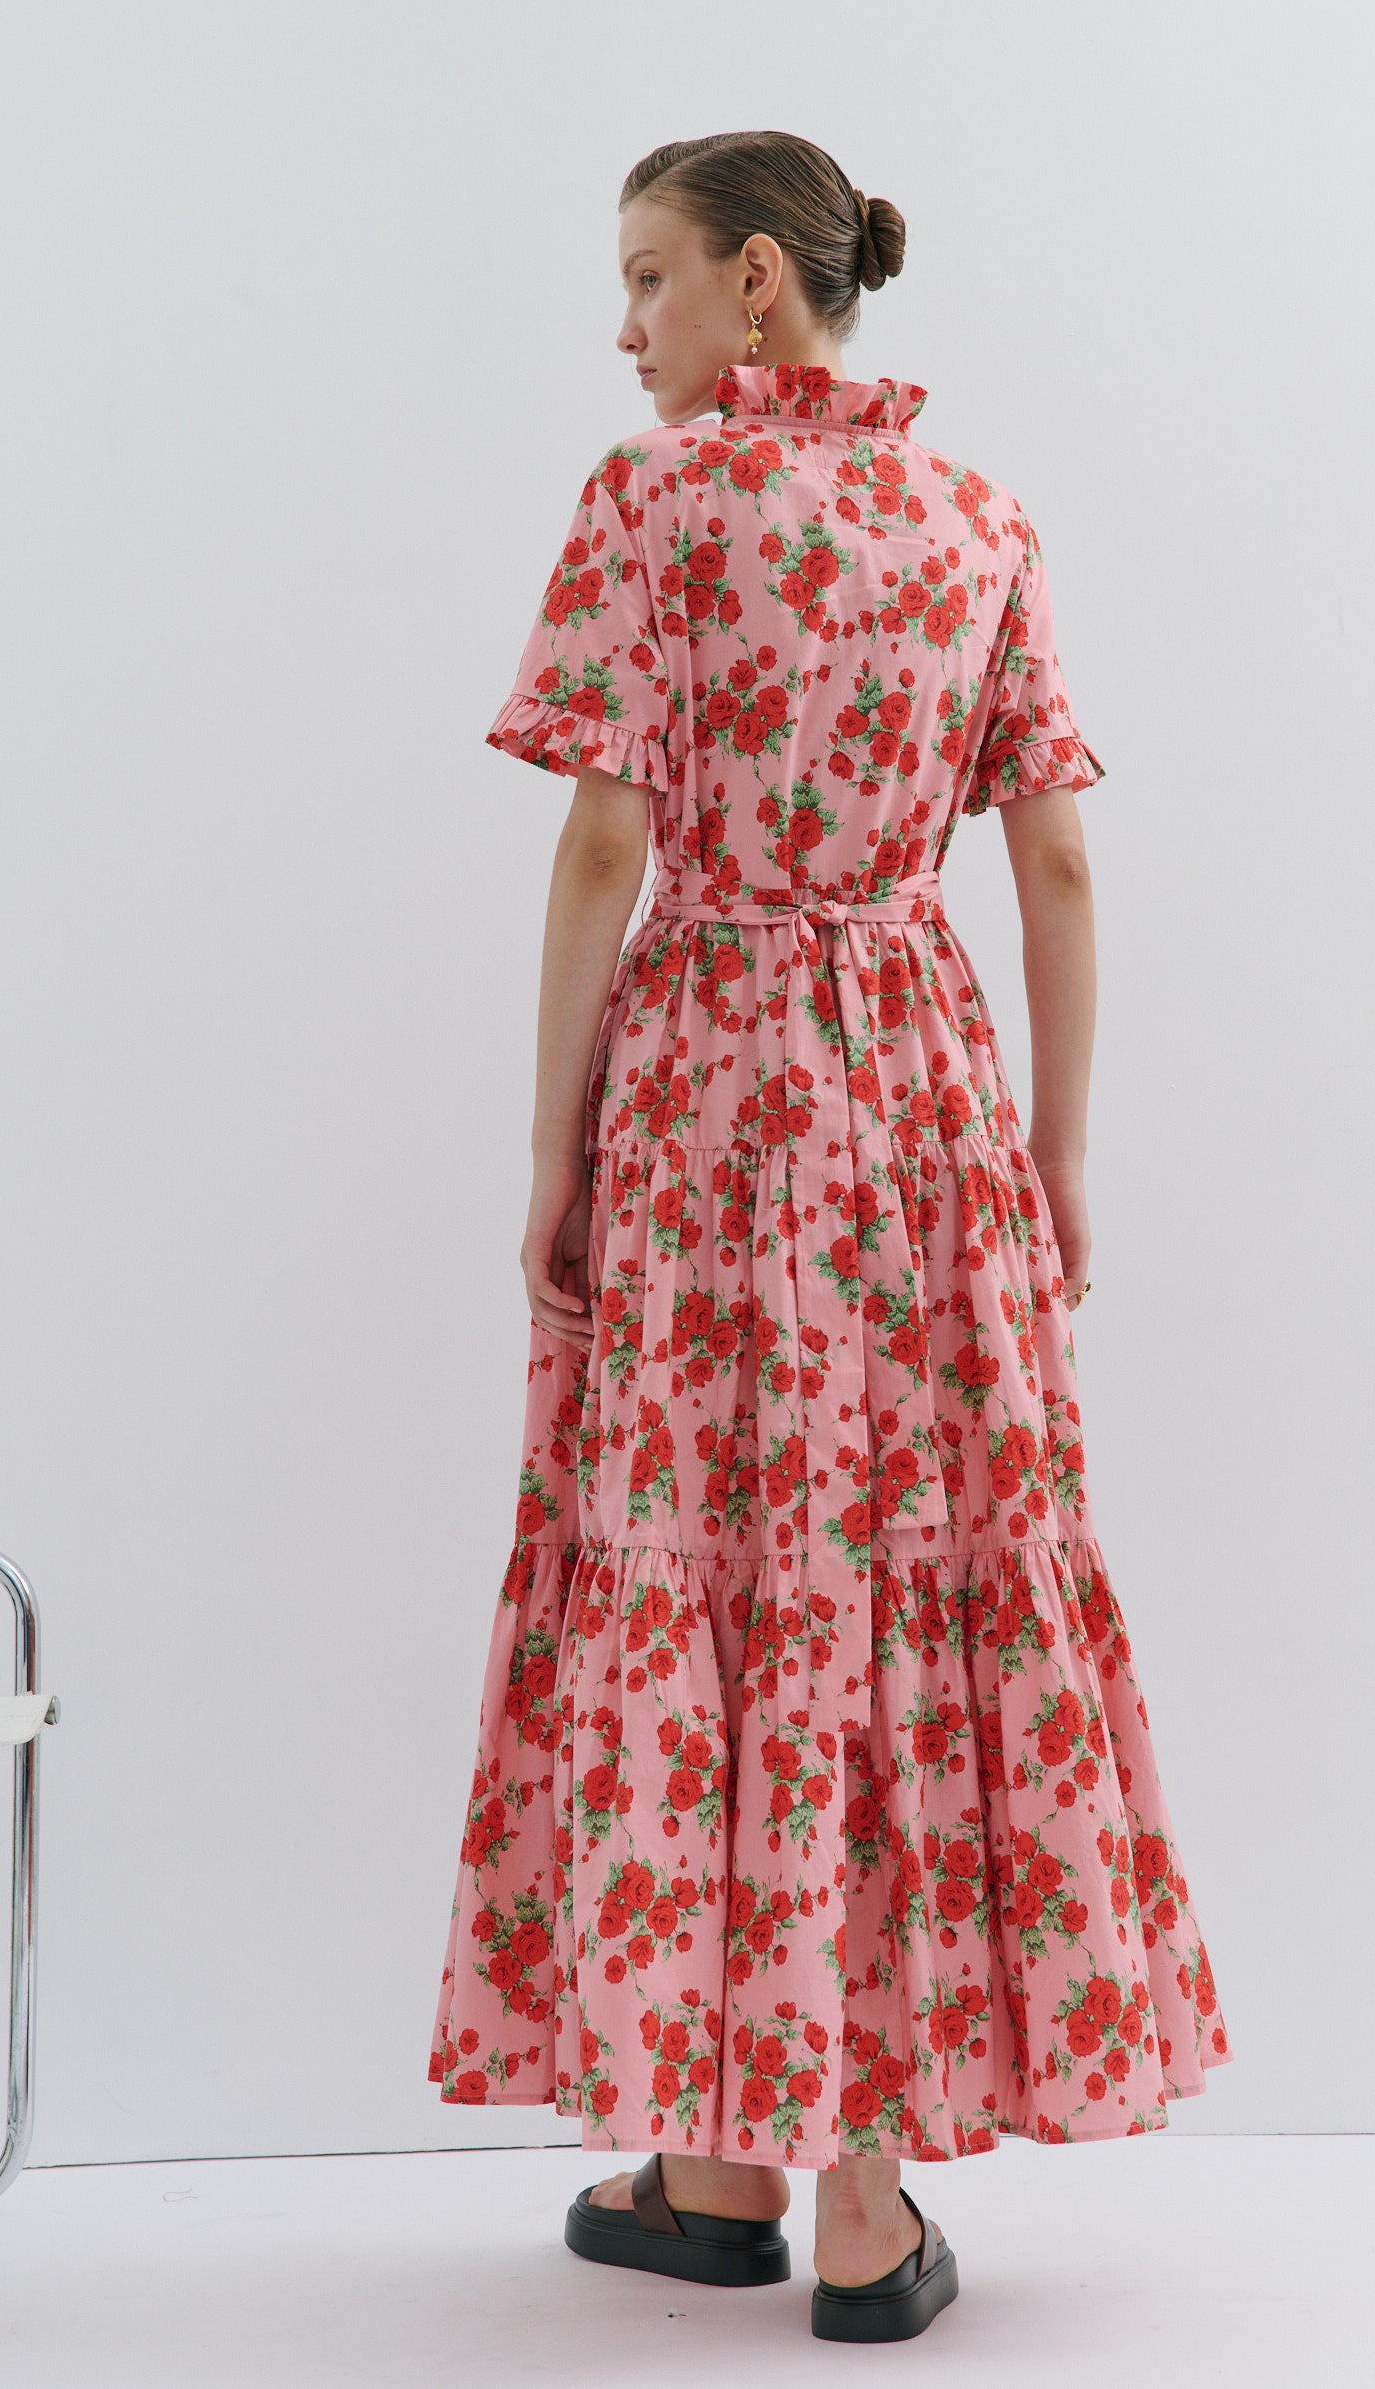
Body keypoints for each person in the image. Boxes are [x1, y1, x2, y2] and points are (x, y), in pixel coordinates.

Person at [428, 128, 1233, 2343]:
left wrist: (551, 1141)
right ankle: (819, 2191)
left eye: (650, 277)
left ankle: (732, 2165)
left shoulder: (654, 500)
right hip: (920, 1088)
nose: (628, 327)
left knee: (720, 1559)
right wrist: (1062, 1149)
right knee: (890, 1561)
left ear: (762, 289)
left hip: (705, 1082)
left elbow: (603, 849)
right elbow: (1055, 867)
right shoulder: (978, 522)